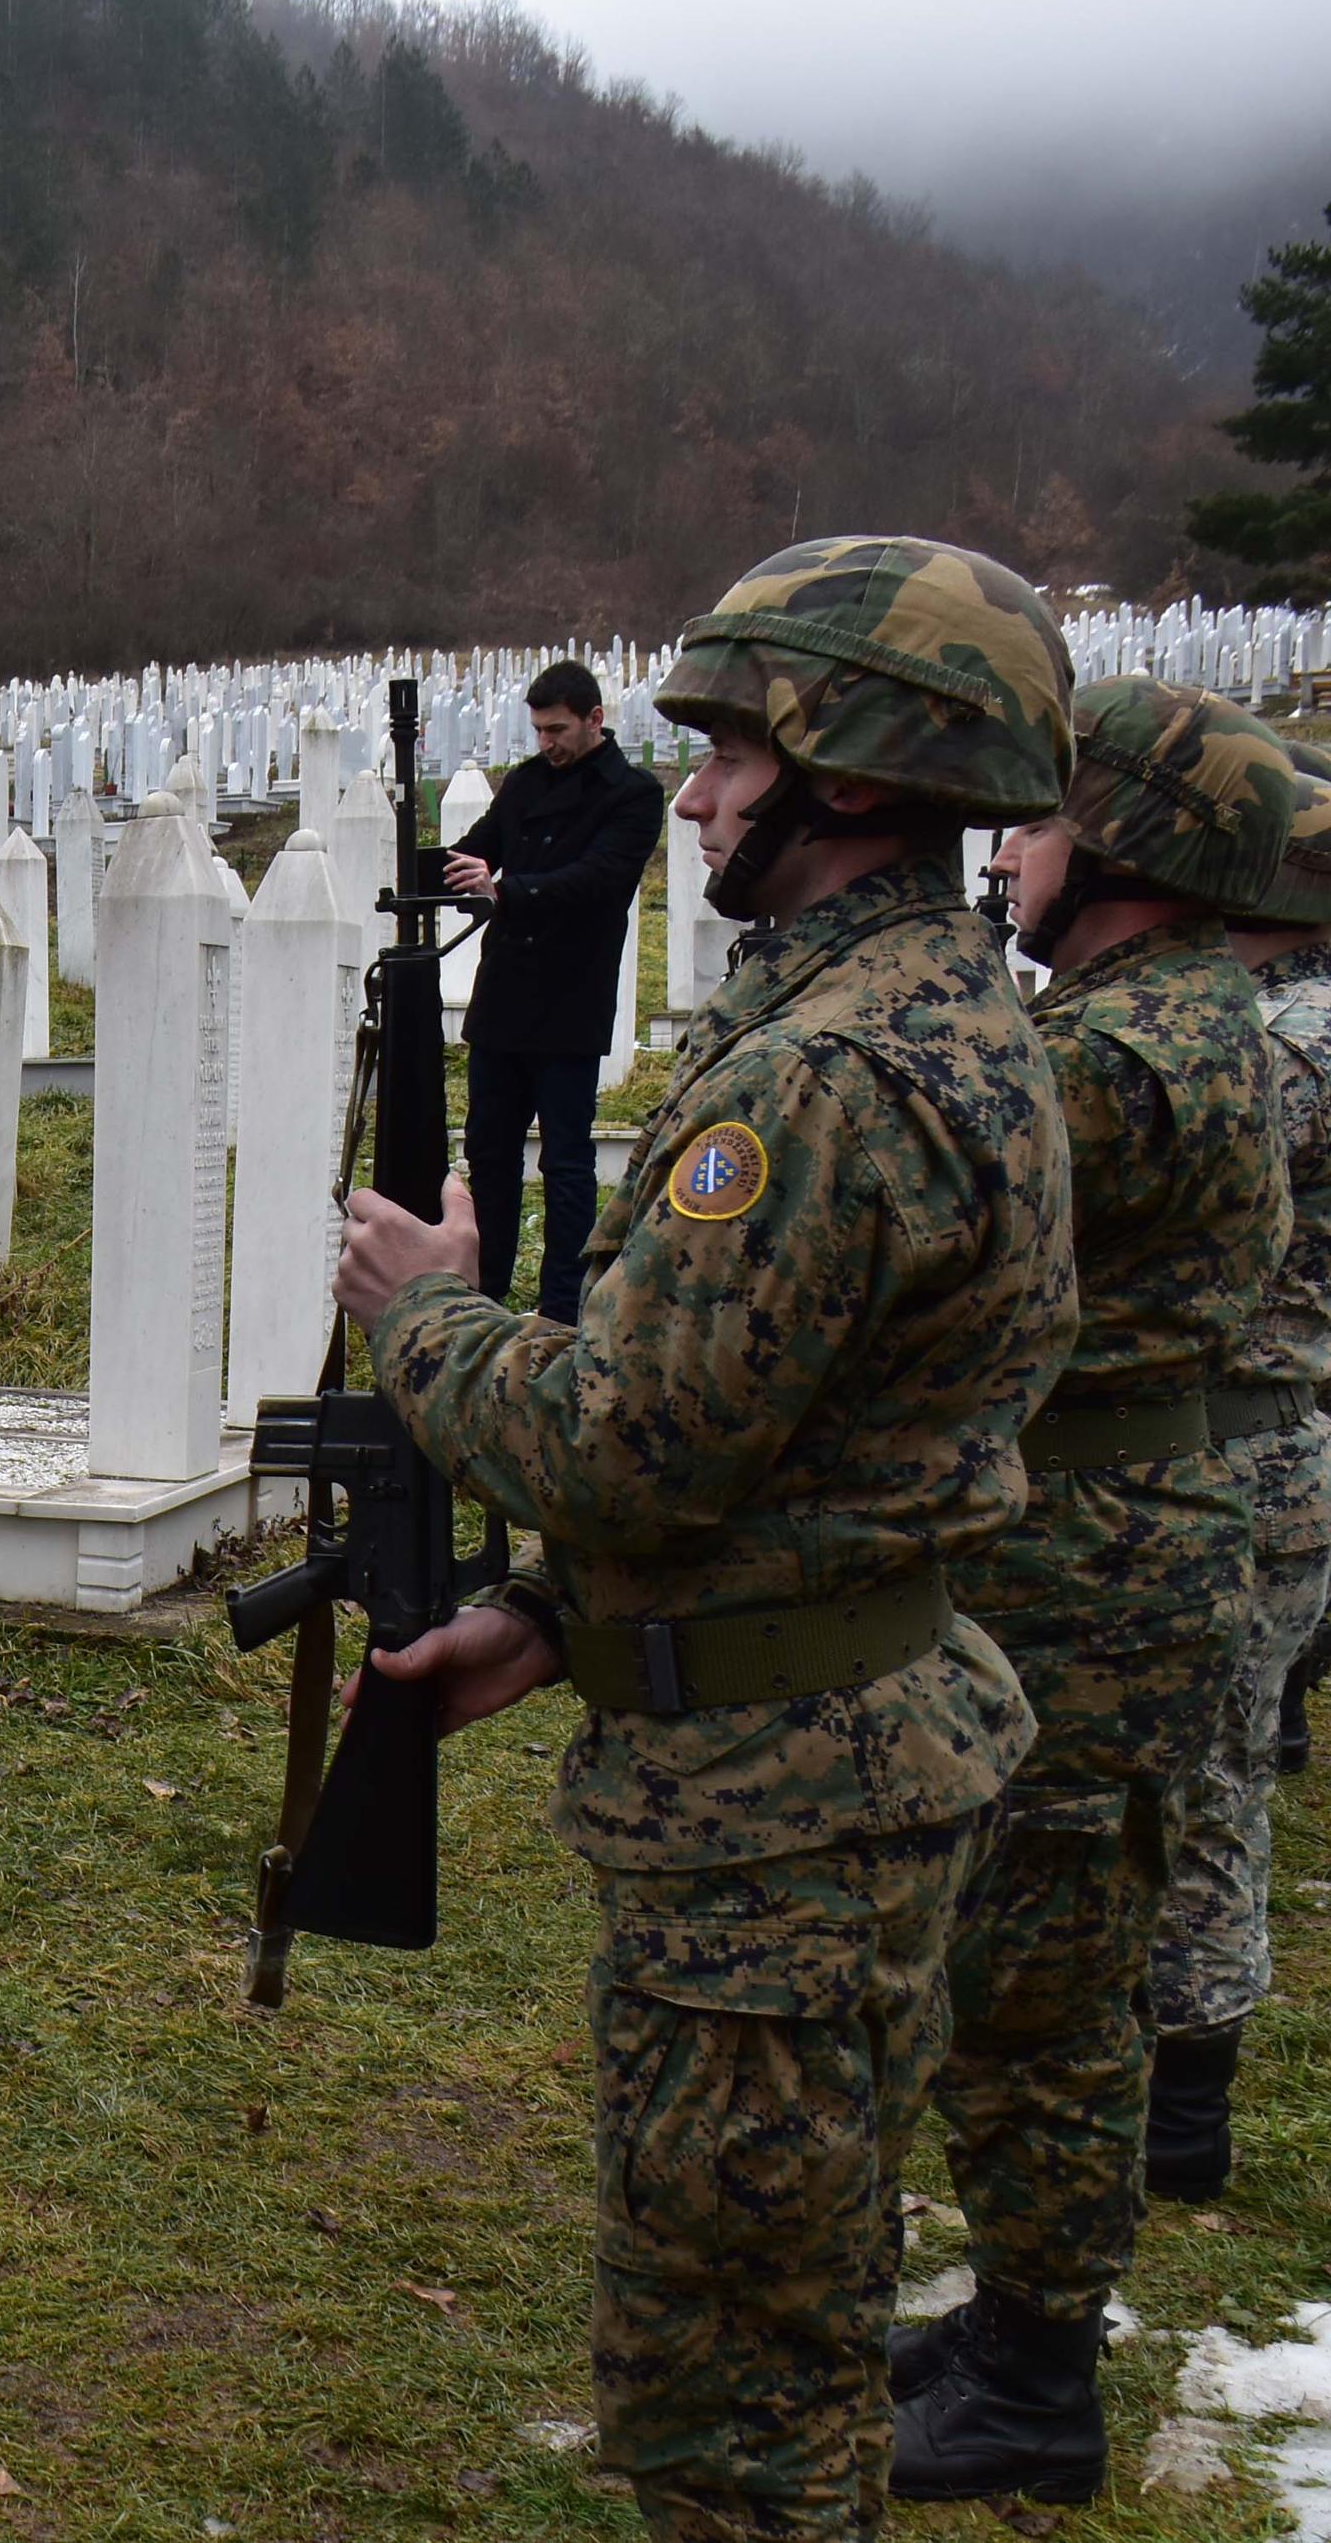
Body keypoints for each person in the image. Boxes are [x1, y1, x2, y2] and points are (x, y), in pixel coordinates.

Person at [333, 537, 1078, 2543]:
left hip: (777, 1836)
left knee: (733, 2400)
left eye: (739, 745)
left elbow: (638, 1442)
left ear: (847, 763)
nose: (706, 788)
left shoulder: (828, 1082)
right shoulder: (935, 1014)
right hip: (837, 1754)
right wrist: (567, 1625)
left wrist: (425, 1320)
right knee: (781, 2322)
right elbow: (810, 1444)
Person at [892, 678, 1296, 2506]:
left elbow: (936, 1181)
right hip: (1101, 1534)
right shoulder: (1170, 1014)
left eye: (1041, 825)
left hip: (1098, 1561)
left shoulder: (1129, 1056)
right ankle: (1011, 2324)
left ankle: (1039, 2374)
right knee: (1031, 1963)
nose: (1010, 852)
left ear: (1121, 845)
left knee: (1050, 1985)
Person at [1149, 753, 1331, 2208]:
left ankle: (1185, 2105)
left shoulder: (1293, 1043)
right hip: (1242, 1438)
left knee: (1207, 1781)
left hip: (1239, 1443)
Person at [442, 659, 668, 1322]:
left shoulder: (631, 794)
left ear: (595, 719)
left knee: (566, 1159)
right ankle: (484, 1291)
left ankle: (563, 1305)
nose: (548, 743)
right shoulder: (525, 784)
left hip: (571, 995)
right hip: (505, 992)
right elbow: (476, 851)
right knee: (489, 1152)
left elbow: (599, 879)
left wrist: (508, 889)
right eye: (539, 730)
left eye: (559, 729)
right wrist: (434, 865)